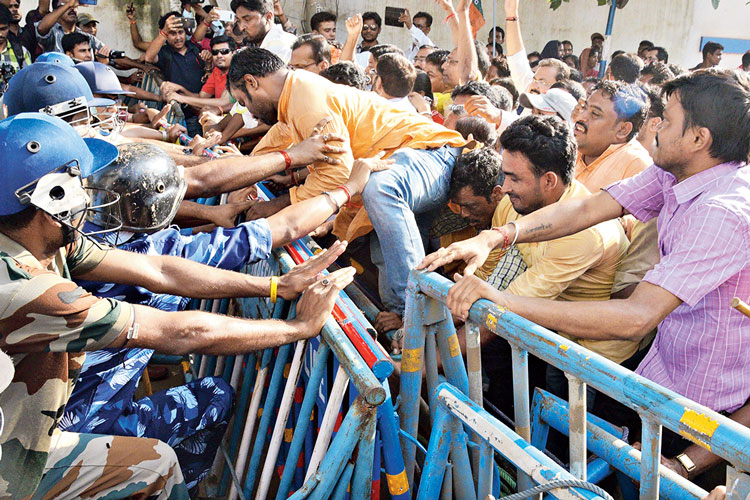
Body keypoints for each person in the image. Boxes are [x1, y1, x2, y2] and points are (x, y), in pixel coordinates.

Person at [0, 111, 356, 498]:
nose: (86, 196)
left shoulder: (43, 241)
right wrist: (297, 328)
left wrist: (273, 286)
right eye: (77, 183)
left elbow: (158, 269)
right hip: (23, 456)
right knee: (157, 462)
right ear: (52, 197)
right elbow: (179, 332)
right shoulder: (30, 289)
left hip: (38, 410)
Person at [421, 69, 750, 476]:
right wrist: (496, 237)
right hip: (662, 379)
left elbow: (636, 318)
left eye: (666, 120)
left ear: (700, 139)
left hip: (708, 416)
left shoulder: (720, 213)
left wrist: (503, 302)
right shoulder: (677, 173)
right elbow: (588, 208)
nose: (655, 128)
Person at [60, 142, 389, 490]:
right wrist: (348, 189)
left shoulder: (70, 240)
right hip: (79, 439)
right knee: (216, 396)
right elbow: (280, 229)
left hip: (37, 415)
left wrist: (272, 285)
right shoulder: (159, 251)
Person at [226, 47, 467, 329]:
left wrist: (276, 206)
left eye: (244, 100)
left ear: (253, 82)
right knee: (382, 247)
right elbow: (281, 136)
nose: (250, 113)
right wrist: (248, 172)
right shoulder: (296, 94)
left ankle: (413, 315)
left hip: (431, 152)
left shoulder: (305, 95)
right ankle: (407, 324)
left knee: (380, 188)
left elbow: (336, 174)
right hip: (406, 161)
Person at [573, 80, 651, 194]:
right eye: (584, 108)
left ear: (623, 130)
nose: (581, 117)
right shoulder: (570, 146)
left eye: (595, 114)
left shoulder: (636, 167)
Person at [144, 11, 206, 136]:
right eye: (172, 33)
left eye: (180, 32)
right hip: (184, 117)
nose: (178, 37)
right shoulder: (164, 53)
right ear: (165, 34)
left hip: (204, 110)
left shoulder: (195, 50)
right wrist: (165, 30)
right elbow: (148, 58)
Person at [503, 0, 569, 95]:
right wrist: (511, 13)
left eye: (543, 82)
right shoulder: (530, 91)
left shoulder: (565, 109)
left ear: (560, 88)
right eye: (534, 79)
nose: (535, 85)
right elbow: (516, 57)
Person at [35, 0, 110, 56]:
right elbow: (41, 28)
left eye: (75, 6)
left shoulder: (85, 36)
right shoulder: (52, 32)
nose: (72, 8)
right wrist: (69, 4)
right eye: (64, 5)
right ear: (55, 11)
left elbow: (111, 54)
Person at [230, 0, 296, 62]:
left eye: (247, 20)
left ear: (268, 17)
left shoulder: (279, 45)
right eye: (238, 21)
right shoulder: (264, 44)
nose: (241, 28)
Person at [0, 3, 30, 70]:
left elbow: (28, 78)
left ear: (9, 27)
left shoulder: (21, 52)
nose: (0, 34)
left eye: (3, 29)